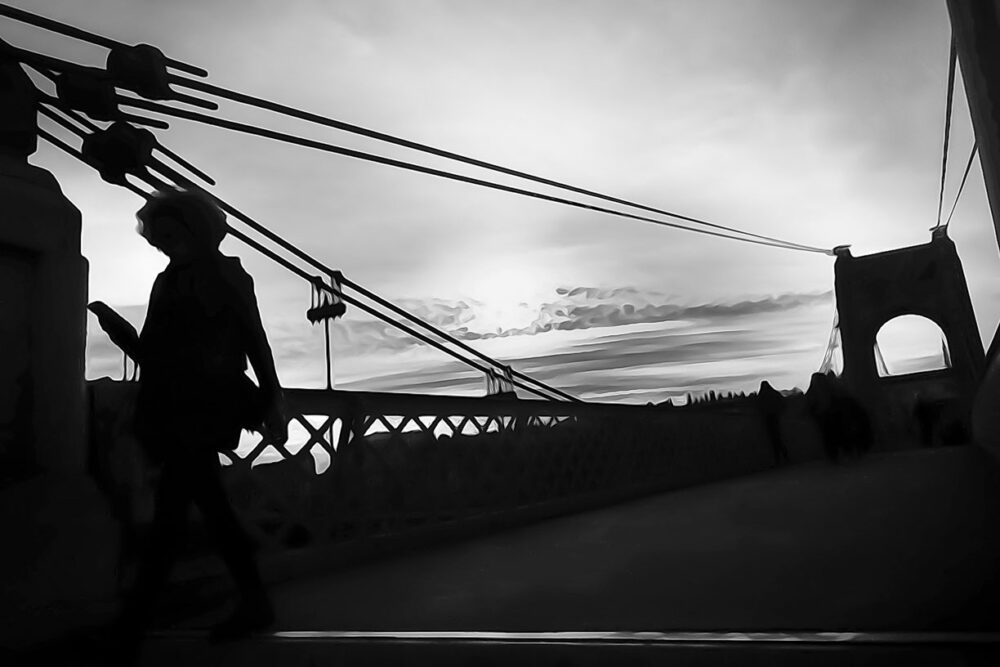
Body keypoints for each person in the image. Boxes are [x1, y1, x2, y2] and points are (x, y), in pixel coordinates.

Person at [105, 188, 288, 656]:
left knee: (177, 514)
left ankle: (132, 624)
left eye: (168, 235)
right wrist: (120, 334)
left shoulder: (227, 276)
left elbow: (255, 340)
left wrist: (273, 400)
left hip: (204, 409)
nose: (162, 245)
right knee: (204, 509)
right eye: (159, 238)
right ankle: (249, 602)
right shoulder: (166, 282)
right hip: (176, 409)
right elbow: (153, 355)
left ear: (195, 229)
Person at [755, 380, 789, 466]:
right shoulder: (774, 394)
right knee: (777, 439)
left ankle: (779, 459)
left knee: (774, 440)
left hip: (769, 419)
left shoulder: (762, 396)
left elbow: (759, 407)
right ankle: (785, 458)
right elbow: (782, 403)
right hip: (775, 418)